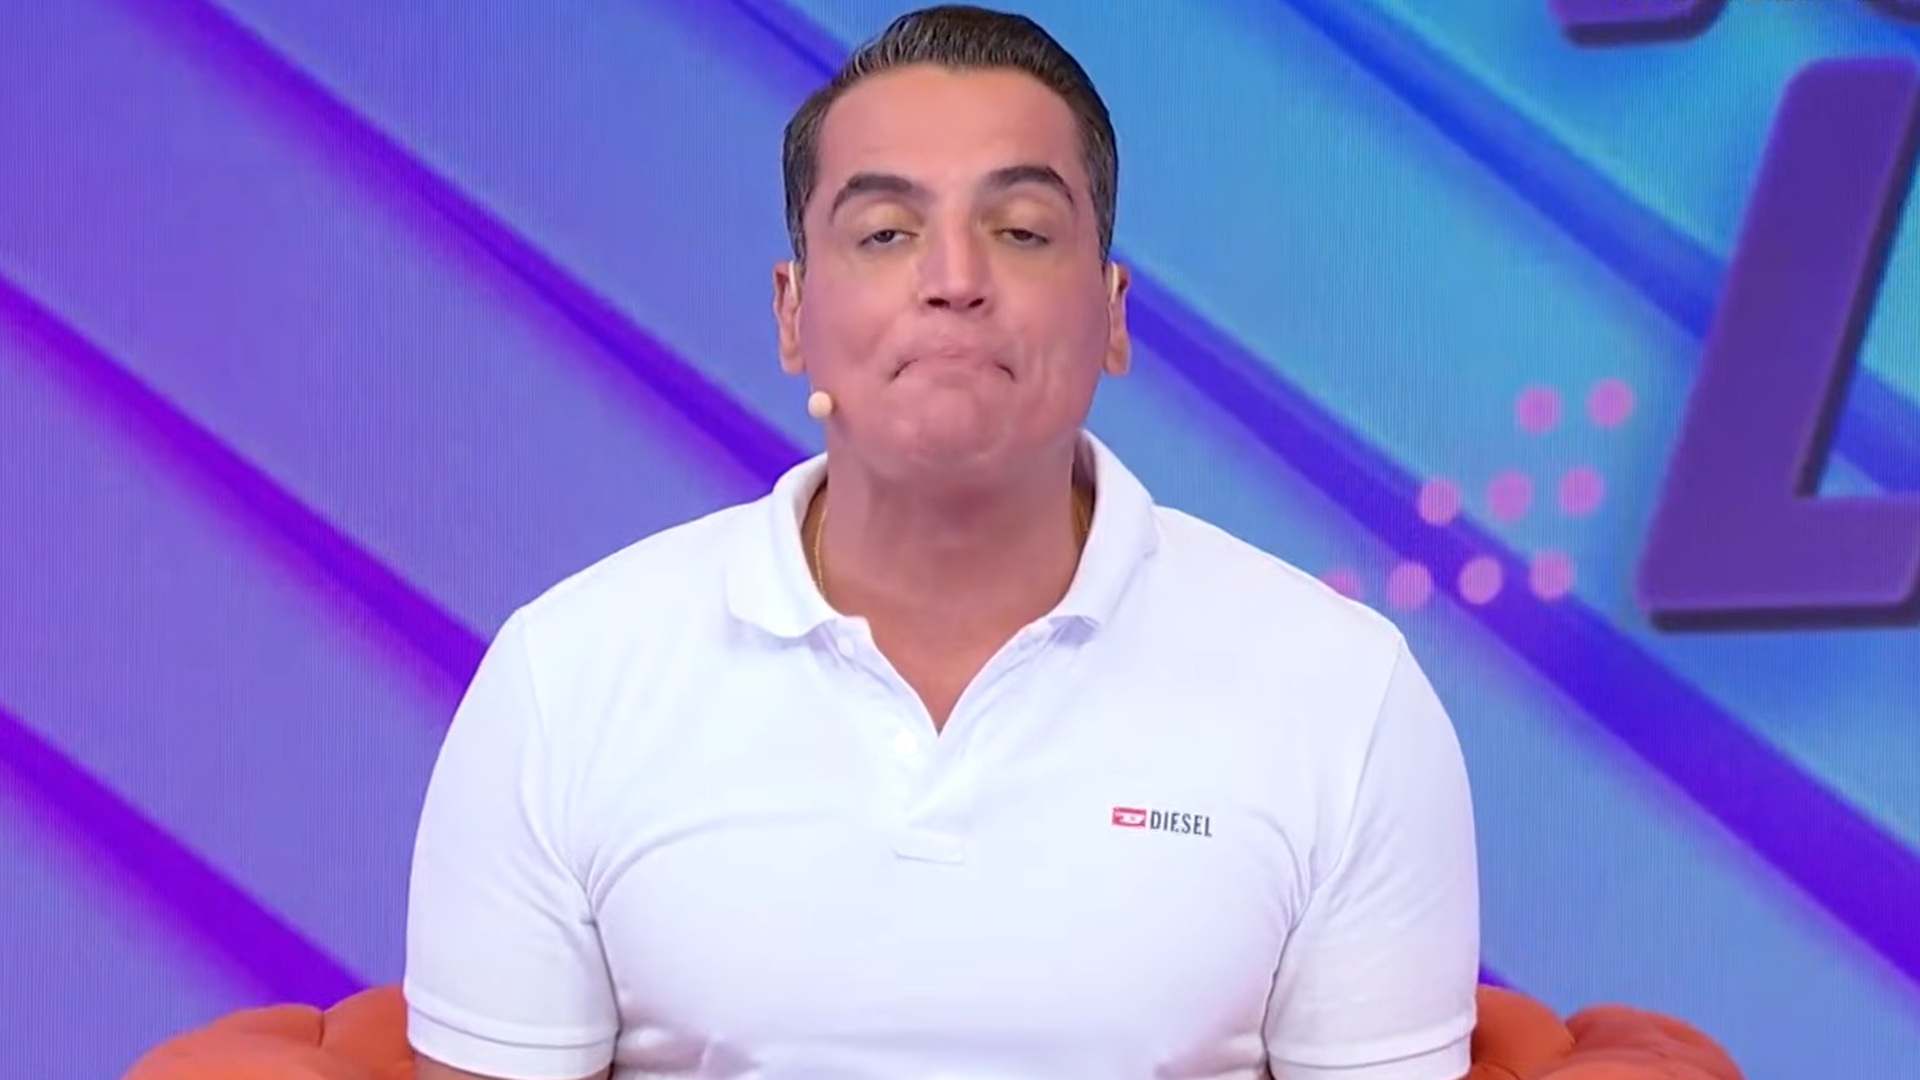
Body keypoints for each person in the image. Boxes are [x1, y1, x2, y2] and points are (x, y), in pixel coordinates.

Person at [402, 6, 1480, 1079]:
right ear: (791, 312)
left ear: (1113, 313)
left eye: (1021, 230)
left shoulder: (1345, 696)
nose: (955, 277)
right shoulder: (565, 680)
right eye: (886, 233)